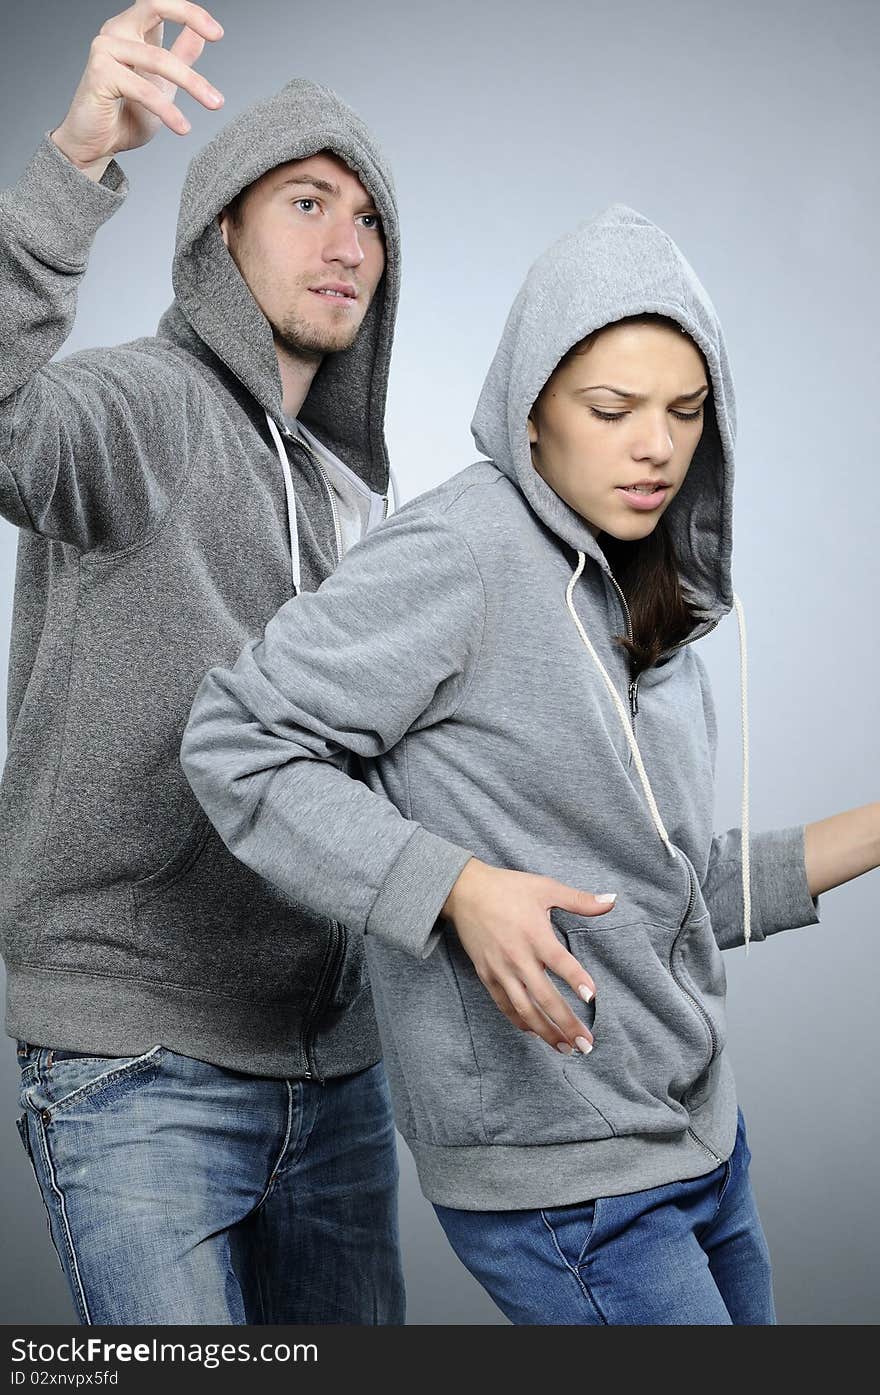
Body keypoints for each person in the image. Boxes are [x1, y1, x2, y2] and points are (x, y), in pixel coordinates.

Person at [181, 202, 878, 1325]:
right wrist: (453, 889)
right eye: (612, 410)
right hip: (570, 1181)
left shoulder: (643, 593)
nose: (655, 445)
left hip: (700, 1141)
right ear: (533, 412)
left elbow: (661, 892)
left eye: (685, 412)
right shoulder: (462, 557)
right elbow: (233, 741)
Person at [1, 1, 405, 1325]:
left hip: (336, 1071)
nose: (351, 243)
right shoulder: (142, 408)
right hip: (143, 1062)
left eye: (371, 219)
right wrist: (74, 157)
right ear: (221, 231)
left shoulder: (357, 503)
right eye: (307, 202)